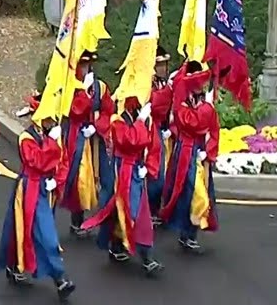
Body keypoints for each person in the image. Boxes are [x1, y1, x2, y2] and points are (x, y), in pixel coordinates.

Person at [0, 91, 76, 301]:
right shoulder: (26, 138)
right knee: (44, 234)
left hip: (46, 189)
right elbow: (38, 162)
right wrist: (52, 144)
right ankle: (60, 279)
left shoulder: (53, 136)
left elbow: (64, 162)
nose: (52, 120)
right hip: (30, 187)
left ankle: (16, 264)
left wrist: (57, 181)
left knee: (32, 231)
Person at [79, 95, 162, 275]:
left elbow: (154, 145)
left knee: (137, 212)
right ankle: (129, 249)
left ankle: (140, 253)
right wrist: (140, 122)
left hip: (136, 171)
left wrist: (149, 167)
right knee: (129, 211)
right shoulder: (117, 121)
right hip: (122, 170)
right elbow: (130, 141)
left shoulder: (145, 120)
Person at [159, 62, 220, 252]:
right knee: (189, 194)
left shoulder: (200, 101)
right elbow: (191, 122)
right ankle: (185, 233)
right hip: (186, 152)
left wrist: (208, 150)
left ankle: (190, 234)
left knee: (200, 194)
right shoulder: (183, 103)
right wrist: (207, 109)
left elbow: (213, 129)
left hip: (199, 152)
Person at [60, 51, 114, 236]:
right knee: (79, 179)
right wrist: (83, 91)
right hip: (78, 136)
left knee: (107, 178)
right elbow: (75, 110)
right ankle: (78, 219)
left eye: (89, 64)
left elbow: (108, 111)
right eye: (83, 65)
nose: (87, 68)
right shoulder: (70, 87)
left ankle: (107, 218)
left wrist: (98, 126)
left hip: (96, 136)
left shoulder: (100, 86)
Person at [146, 45, 176, 220]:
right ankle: (150, 209)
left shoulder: (167, 85)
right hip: (150, 130)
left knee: (166, 174)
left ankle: (158, 209)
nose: (163, 69)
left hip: (164, 131)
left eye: (165, 65)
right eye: (159, 65)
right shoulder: (147, 86)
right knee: (154, 173)